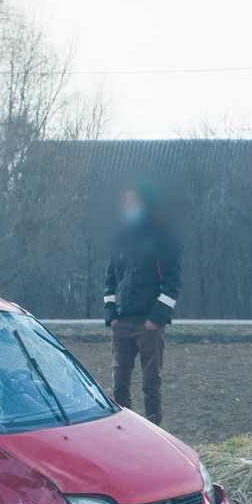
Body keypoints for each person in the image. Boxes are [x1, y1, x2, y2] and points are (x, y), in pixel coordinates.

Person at [103, 182, 182, 426]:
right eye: (127, 203)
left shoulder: (164, 236)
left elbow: (173, 282)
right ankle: (123, 432)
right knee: (119, 384)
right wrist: (111, 314)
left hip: (149, 324)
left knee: (151, 385)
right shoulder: (122, 236)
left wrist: (155, 318)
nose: (129, 208)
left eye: (133, 203)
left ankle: (154, 432)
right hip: (122, 323)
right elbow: (110, 279)